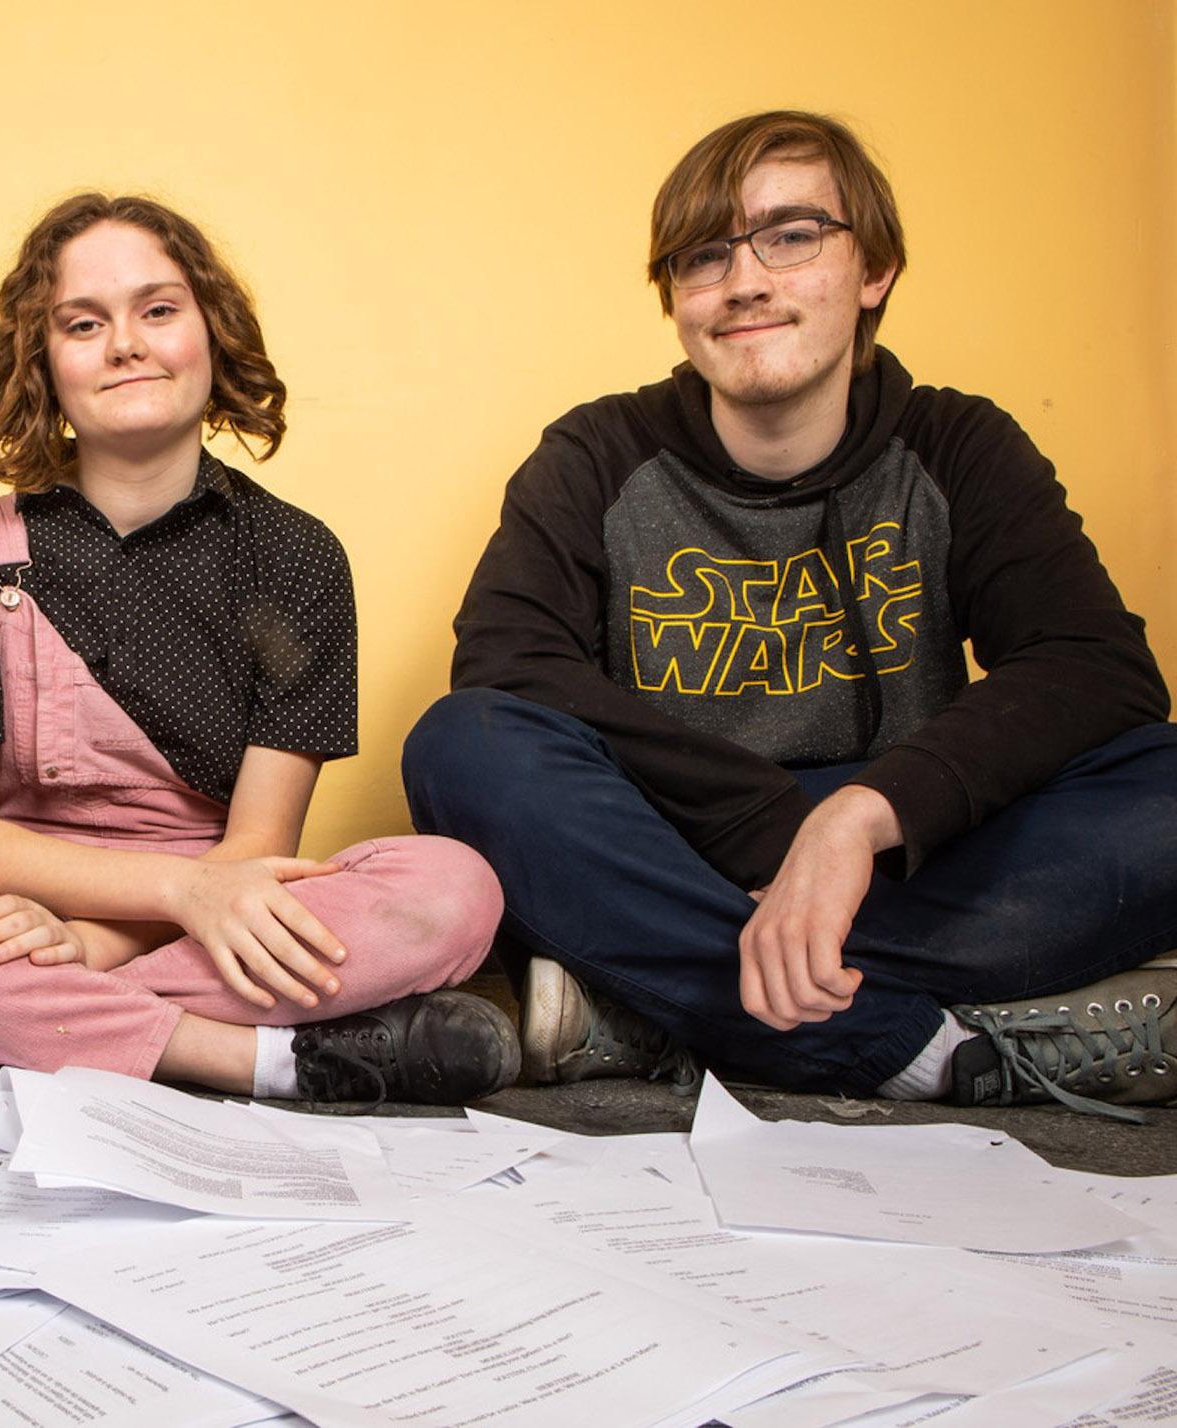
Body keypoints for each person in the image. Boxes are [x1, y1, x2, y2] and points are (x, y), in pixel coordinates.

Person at [403, 110, 1177, 1120]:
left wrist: (859, 823)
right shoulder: (595, 454)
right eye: (704, 254)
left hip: (898, 845)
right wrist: (783, 834)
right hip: (677, 832)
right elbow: (508, 665)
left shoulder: (959, 445)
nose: (745, 280)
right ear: (677, 299)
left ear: (875, 272)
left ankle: (647, 1002)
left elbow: (1096, 667)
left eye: (793, 235)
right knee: (464, 746)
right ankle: (898, 1035)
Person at [0, 194, 515, 1105]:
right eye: (83, 323)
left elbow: (259, 850)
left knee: (456, 888)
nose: (126, 344)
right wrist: (108, 913)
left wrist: (99, 945)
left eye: (158, 310)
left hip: (213, 913)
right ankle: (242, 1058)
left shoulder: (295, 557)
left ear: (210, 333)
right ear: (43, 364)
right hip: (0, 912)